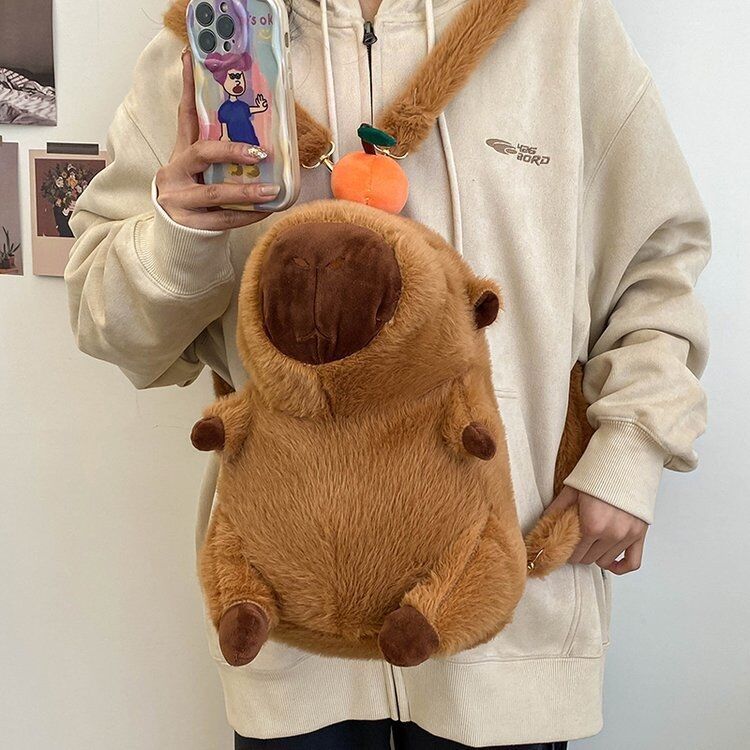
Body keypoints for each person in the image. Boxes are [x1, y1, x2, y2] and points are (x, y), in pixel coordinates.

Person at [64, 0, 710, 747]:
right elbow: (107, 323)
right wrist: (177, 236)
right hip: (285, 620)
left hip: (504, 612)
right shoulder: (213, 46)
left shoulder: (559, 26)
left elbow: (657, 263)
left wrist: (632, 449)